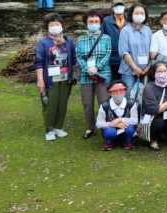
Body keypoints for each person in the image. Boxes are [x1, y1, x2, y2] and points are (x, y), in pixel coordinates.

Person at [35, 12, 76, 141]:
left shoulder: (68, 41)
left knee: (62, 103)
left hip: (65, 78)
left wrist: (73, 75)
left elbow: (73, 59)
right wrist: (40, 79)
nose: (55, 27)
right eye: (52, 25)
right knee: (50, 104)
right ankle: (49, 129)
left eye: (57, 24)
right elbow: (39, 62)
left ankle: (59, 127)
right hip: (50, 79)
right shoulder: (43, 43)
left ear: (62, 25)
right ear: (47, 27)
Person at [76, 10, 112, 140]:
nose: (94, 23)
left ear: (100, 23)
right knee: (87, 103)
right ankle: (90, 126)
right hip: (86, 76)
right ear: (86, 23)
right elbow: (79, 56)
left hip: (103, 74)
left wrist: (97, 67)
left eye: (96, 21)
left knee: (104, 101)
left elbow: (107, 54)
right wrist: (87, 68)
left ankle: (107, 125)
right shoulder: (81, 39)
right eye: (91, 21)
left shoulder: (106, 38)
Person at [141, 61, 167, 151]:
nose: (162, 74)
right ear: (154, 73)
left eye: (165, 71)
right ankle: (153, 140)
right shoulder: (149, 88)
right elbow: (154, 110)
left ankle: (163, 133)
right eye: (159, 71)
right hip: (153, 116)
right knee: (159, 123)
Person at [118, 3, 152, 96]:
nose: (139, 15)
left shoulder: (148, 30)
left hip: (146, 70)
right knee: (129, 95)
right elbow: (124, 52)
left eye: (142, 13)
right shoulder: (125, 30)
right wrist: (135, 68)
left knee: (145, 96)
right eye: (137, 13)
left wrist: (148, 67)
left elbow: (152, 50)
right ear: (131, 15)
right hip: (129, 70)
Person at [96, 80, 138, 151]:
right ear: (110, 93)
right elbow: (99, 124)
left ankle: (128, 141)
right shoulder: (105, 105)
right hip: (111, 129)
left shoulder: (131, 103)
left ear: (125, 91)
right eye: (115, 91)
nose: (118, 93)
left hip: (125, 128)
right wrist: (113, 124)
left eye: (121, 90)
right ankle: (109, 142)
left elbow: (135, 120)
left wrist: (120, 119)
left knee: (130, 129)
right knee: (110, 132)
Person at [101, 0, 129, 80]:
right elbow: (101, 39)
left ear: (125, 7)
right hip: (112, 59)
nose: (119, 7)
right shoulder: (105, 21)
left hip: (128, 59)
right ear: (112, 8)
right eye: (116, 5)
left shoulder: (130, 21)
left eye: (121, 5)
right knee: (113, 86)